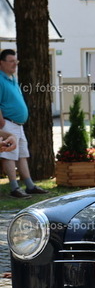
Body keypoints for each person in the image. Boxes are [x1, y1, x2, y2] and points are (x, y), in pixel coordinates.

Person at [0, 49, 48, 199]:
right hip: (7, 124)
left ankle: (29, 186)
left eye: (16, 61)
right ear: (1, 63)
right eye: (11, 61)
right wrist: (1, 123)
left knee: (22, 155)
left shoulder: (12, 78)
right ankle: (14, 188)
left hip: (18, 124)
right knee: (9, 155)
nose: (15, 64)